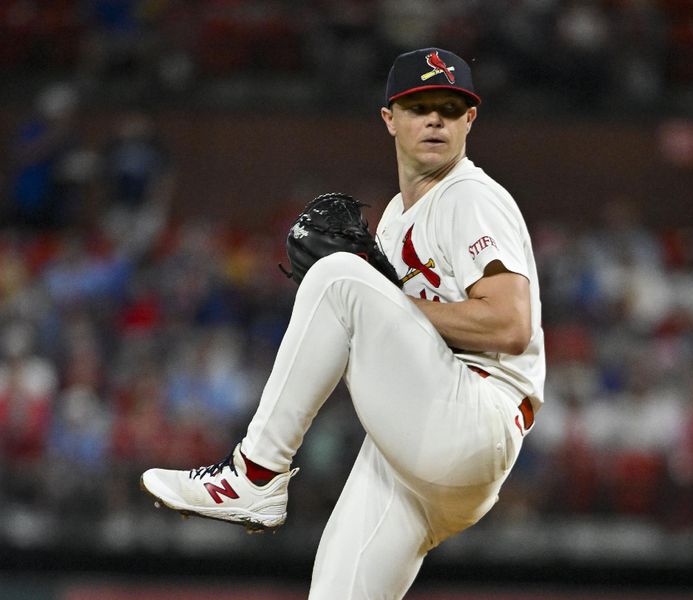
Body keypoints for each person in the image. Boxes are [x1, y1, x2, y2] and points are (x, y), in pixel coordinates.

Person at [141, 47, 545, 598]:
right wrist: (375, 307)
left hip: (475, 415)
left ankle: (254, 476)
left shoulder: (469, 197)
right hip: (417, 448)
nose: (434, 119)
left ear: (469, 120)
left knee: (335, 276)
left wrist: (379, 300)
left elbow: (510, 324)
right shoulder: (398, 219)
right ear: (389, 119)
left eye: (450, 109)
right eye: (419, 104)